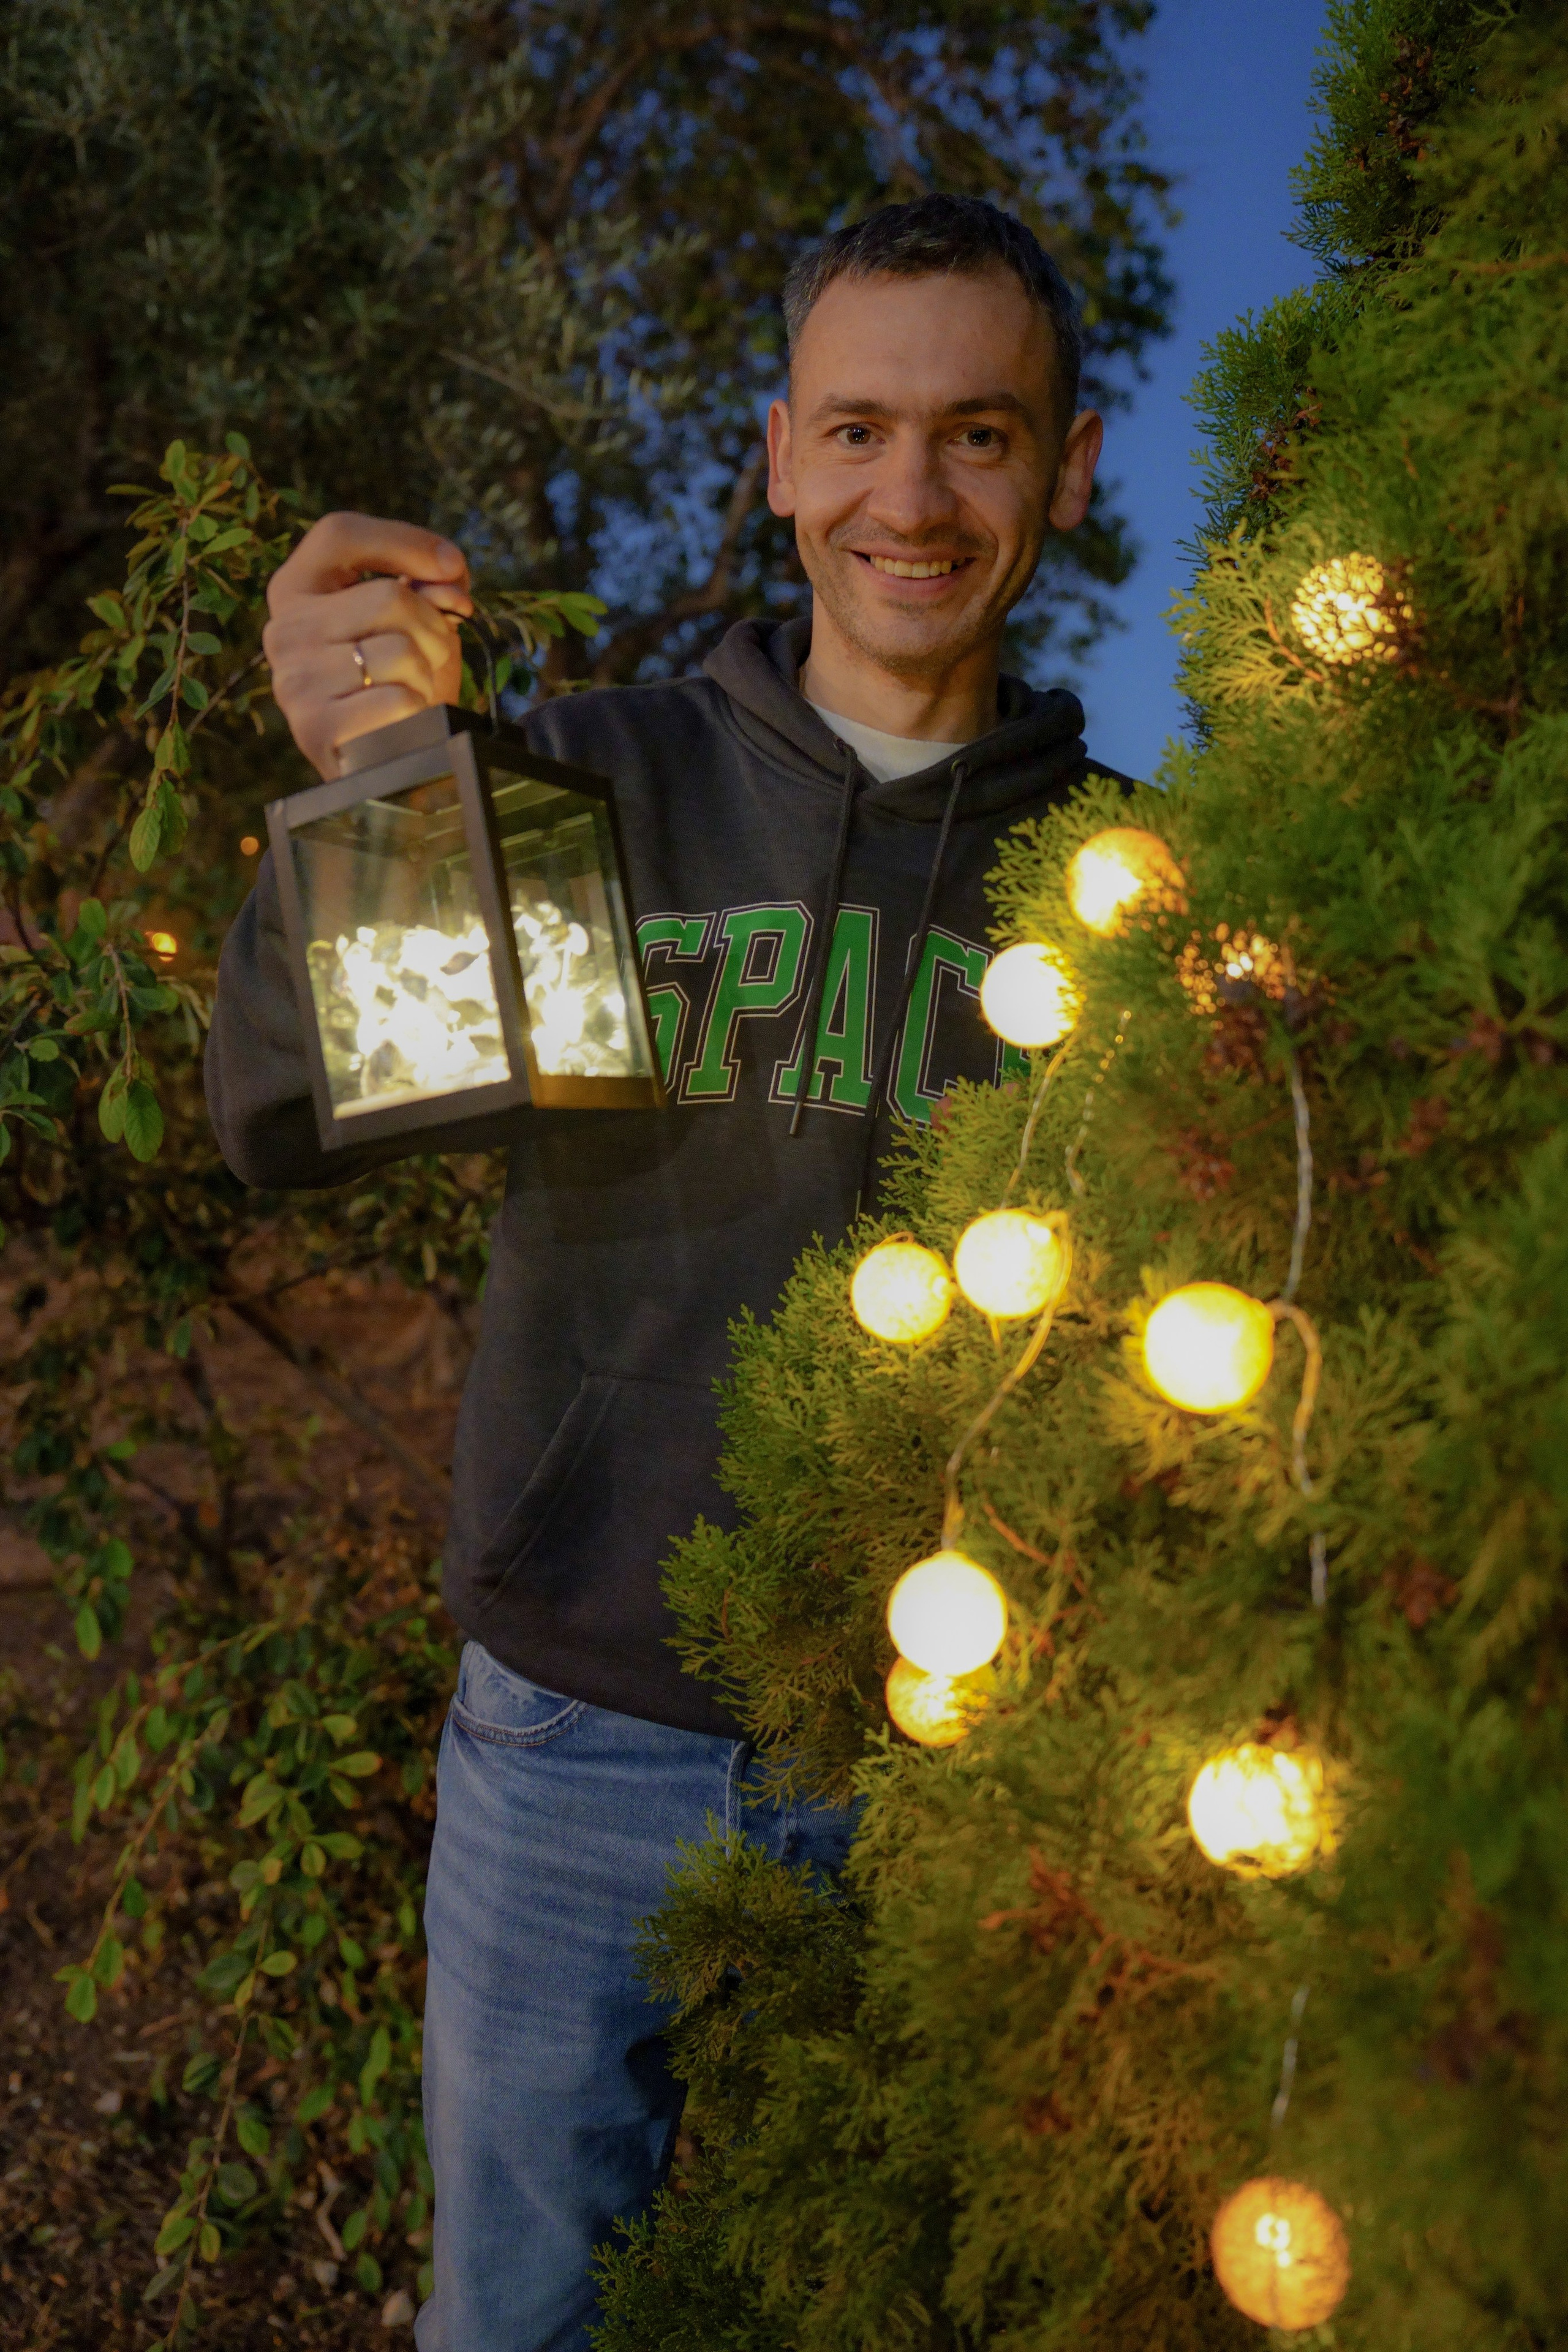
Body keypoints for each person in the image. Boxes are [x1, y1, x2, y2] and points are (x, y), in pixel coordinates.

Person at [206, 192, 1120, 2352]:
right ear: (781, 454)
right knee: (520, 2316)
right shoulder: (573, 797)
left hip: (949, 1765)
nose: (915, 497)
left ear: (1069, 470)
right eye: (862, 432)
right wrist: (376, 786)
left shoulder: (1134, 887)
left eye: (980, 437)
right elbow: (291, 1121)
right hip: (577, 1738)